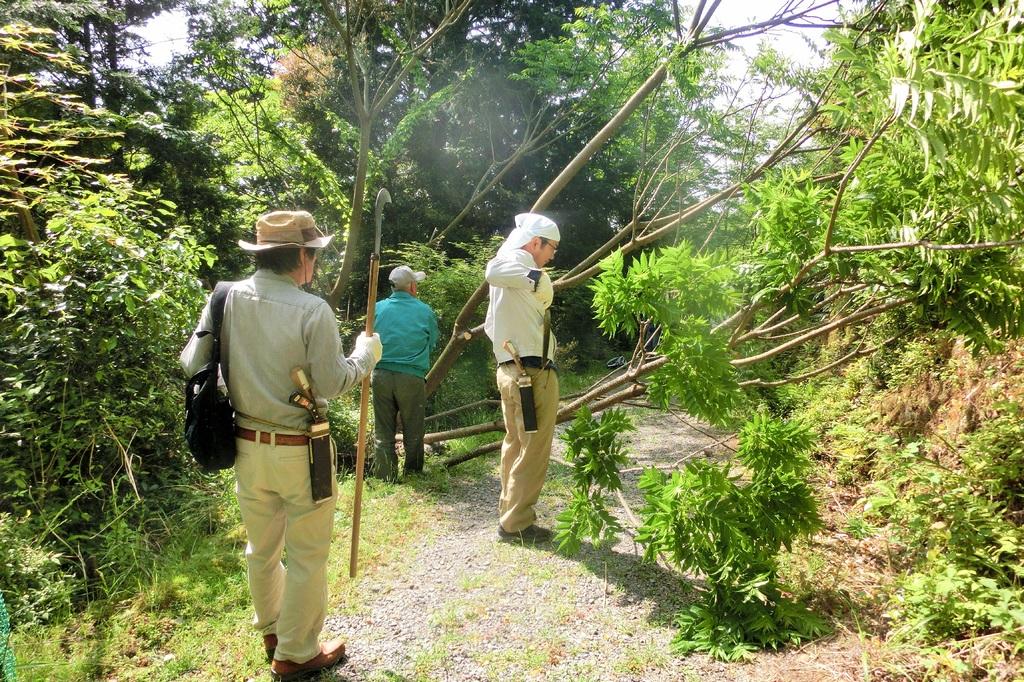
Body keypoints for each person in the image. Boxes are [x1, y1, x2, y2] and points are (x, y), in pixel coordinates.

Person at [179, 210, 382, 680]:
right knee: (308, 553)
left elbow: (192, 361)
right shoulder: (313, 310)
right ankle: (295, 651)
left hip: (245, 443)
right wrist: (365, 355)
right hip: (301, 447)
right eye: (314, 254)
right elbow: (332, 383)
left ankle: (273, 628)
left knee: (262, 547)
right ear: (303, 257)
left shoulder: (225, 297)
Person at [483, 212, 560, 542]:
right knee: (532, 448)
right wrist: (538, 278)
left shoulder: (515, 268)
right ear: (535, 242)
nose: (552, 254)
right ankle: (516, 524)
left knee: (516, 443)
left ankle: (509, 515)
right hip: (530, 372)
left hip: (513, 369)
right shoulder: (515, 262)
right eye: (551, 247)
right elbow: (493, 270)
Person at [371, 265, 439, 481]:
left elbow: (368, 339)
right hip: (411, 377)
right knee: (414, 429)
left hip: (380, 374)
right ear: (411, 286)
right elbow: (433, 342)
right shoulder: (425, 311)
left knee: (383, 430)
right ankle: (413, 473)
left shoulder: (378, 308)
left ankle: (385, 476)